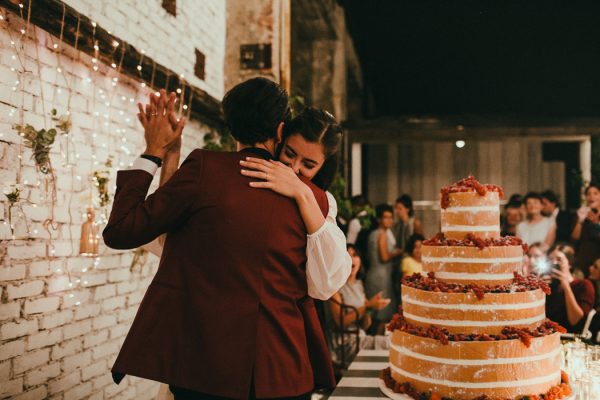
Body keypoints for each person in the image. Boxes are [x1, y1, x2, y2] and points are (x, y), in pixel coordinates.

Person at [104, 79, 347, 399]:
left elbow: (128, 231)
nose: (294, 168)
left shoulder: (205, 169)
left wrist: (155, 152)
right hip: (281, 370)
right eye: (291, 154)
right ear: (279, 131)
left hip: (203, 369)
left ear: (230, 126)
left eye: (308, 165)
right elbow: (322, 286)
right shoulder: (319, 200)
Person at [327, 245, 390, 364]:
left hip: (360, 337)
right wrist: (367, 306)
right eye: (347, 255)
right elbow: (341, 322)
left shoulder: (359, 285)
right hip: (346, 343)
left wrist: (369, 309)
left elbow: (365, 326)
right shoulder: (335, 287)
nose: (351, 259)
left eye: (355, 255)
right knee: (389, 344)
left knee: (392, 341)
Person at [366, 204, 402, 334]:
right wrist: (398, 252)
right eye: (386, 217)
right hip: (382, 276)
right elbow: (384, 257)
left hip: (373, 274)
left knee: (375, 314)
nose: (389, 220)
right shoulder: (382, 234)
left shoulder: (372, 234)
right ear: (379, 220)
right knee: (383, 314)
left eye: (391, 217)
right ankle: (376, 344)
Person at [545, 244, 595, 333]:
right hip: (549, 335)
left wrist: (566, 286)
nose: (554, 263)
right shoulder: (549, 287)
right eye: (550, 260)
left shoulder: (584, 285)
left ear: (570, 263)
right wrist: (538, 289)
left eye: (559, 259)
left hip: (571, 337)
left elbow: (575, 321)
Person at [571, 182, 600, 271]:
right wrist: (580, 220)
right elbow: (574, 238)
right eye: (588, 194)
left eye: (595, 193)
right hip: (583, 256)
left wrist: (596, 224)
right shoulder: (582, 213)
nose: (591, 196)